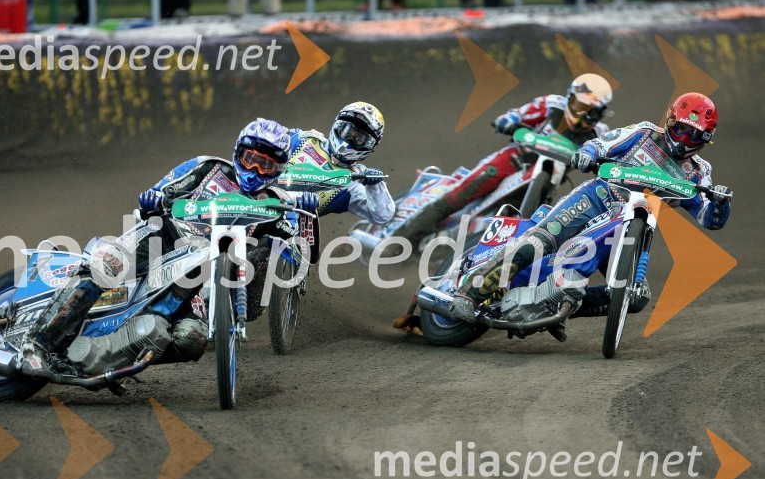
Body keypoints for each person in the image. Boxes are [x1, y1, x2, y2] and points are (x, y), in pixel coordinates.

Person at [21, 119, 318, 377]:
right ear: (237, 152)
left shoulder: (278, 202)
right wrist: (153, 198)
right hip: (163, 237)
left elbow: (294, 247)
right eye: (249, 158)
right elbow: (162, 191)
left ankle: (93, 361)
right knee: (107, 263)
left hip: (200, 278)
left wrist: (305, 208)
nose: (254, 169)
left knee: (192, 338)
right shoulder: (208, 167)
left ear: (278, 169)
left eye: (265, 164)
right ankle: (38, 345)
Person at [449, 92, 733, 322]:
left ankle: (555, 309)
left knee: (635, 296)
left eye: (695, 136)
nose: (685, 140)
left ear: (706, 139)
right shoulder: (645, 133)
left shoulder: (697, 171)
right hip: (597, 197)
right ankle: (468, 293)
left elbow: (709, 218)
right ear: (671, 120)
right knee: (541, 239)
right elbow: (603, 143)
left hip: (630, 228)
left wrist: (720, 203)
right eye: (682, 129)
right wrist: (588, 154)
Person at [393, 73, 613, 246]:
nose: (582, 114)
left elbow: (607, 159)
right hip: (514, 159)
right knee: (462, 192)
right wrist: (507, 120)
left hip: (549, 181)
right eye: (579, 106)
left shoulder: (600, 135)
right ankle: (401, 240)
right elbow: (518, 114)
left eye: (590, 111)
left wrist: (605, 166)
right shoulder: (552, 104)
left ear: (600, 113)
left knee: (549, 221)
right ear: (569, 97)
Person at [286, 101, 395, 225]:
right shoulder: (304, 139)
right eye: (348, 131)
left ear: (368, 144)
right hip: (261, 198)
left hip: (288, 228)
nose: (349, 139)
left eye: (358, 138)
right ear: (338, 125)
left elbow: (382, 216)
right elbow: (264, 137)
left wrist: (375, 186)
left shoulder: (352, 183)